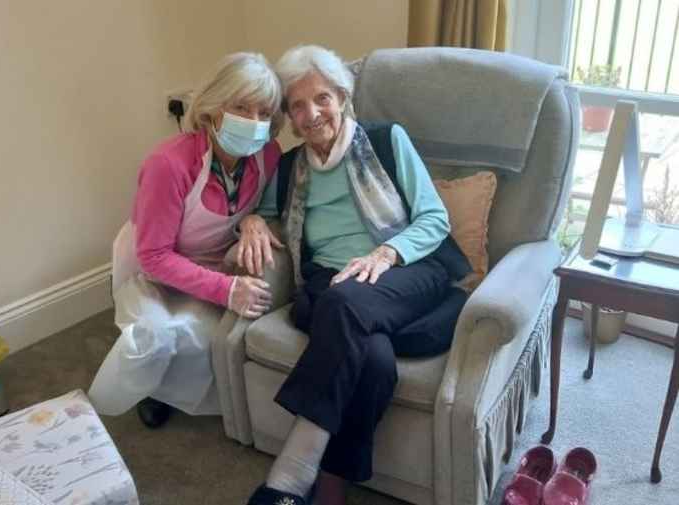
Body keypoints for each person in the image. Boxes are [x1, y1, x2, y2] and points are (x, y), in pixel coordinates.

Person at [241, 46, 471, 505]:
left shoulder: (386, 141)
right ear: (288, 117)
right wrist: (250, 221)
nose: (312, 114)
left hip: (407, 269)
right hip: (332, 280)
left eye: (322, 98)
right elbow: (265, 216)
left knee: (343, 303)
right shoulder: (288, 168)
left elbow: (434, 219)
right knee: (376, 360)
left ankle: (290, 474)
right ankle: (331, 483)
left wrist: (386, 254)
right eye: (298, 106)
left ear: (343, 96)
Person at [88, 52, 285, 429]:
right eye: (241, 107)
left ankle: (169, 384)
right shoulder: (168, 164)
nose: (254, 122)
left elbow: (273, 208)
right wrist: (226, 290)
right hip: (155, 272)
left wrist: (258, 220)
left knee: (208, 339)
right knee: (154, 339)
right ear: (212, 109)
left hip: (214, 264)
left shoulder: (268, 155)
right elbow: (154, 256)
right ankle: (146, 391)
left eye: (264, 112)